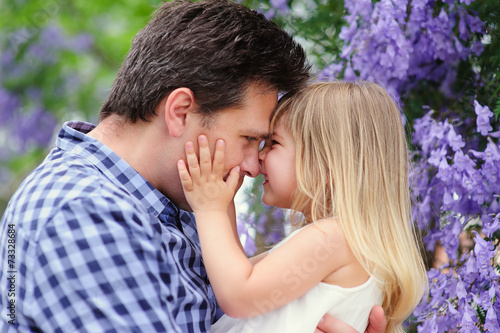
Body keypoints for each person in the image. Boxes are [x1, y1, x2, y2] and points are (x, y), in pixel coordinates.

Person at [0, 0, 386, 332]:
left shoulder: (174, 205)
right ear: (180, 111)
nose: (254, 166)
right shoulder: (82, 212)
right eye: (249, 139)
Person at [178, 81, 428, 332]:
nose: (260, 156)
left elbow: (238, 295)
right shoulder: (343, 241)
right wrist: (225, 203)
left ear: (326, 165)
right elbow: (234, 273)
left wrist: (209, 209)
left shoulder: (333, 238)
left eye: (274, 143)